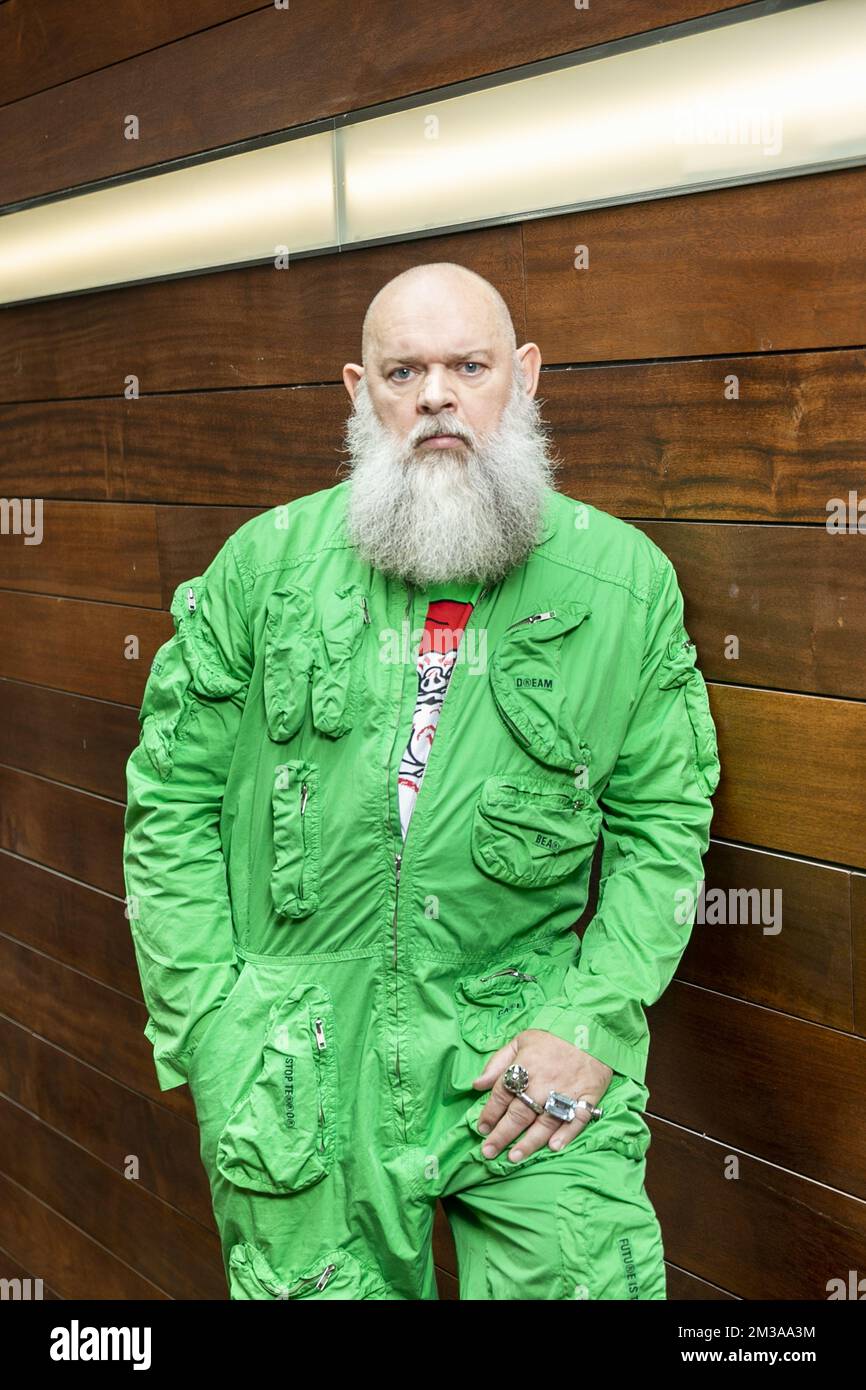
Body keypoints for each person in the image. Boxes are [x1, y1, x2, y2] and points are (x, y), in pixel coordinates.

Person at [122, 261, 720, 1300]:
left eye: (467, 364)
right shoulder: (262, 567)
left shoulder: (622, 583)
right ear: (360, 390)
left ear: (521, 376)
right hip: (294, 1059)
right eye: (404, 370)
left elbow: (660, 825)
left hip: (523, 1048)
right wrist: (211, 1024)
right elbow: (167, 806)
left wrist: (597, 1017)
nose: (436, 392)